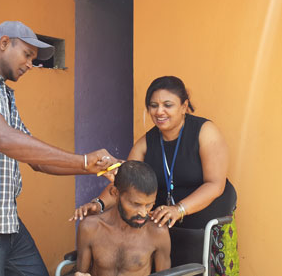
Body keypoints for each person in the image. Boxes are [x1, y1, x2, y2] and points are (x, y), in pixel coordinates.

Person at [0, 21, 118, 276]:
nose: (30, 64)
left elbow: (38, 161)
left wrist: (90, 167)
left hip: (7, 221)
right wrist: (82, 160)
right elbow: (1, 138)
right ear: (4, 43)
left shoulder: (4, 94)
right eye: (27, 55)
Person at [72, 76, 239, 276]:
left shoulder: (205, 132)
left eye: (167, 105)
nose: (159, 111)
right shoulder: (145, 144)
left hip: (206, 225)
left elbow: (215, 185)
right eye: (153, 105)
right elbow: (126, 181)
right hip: (164, 223)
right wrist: (98, 204)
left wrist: (179, 209)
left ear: (184, 106)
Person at [74, 161, 171, 276]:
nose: (143, 213)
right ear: (115, 193)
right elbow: (81, 272)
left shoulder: (157, 233)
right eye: (135, 204)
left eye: (149, 205)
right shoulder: (90, 228)